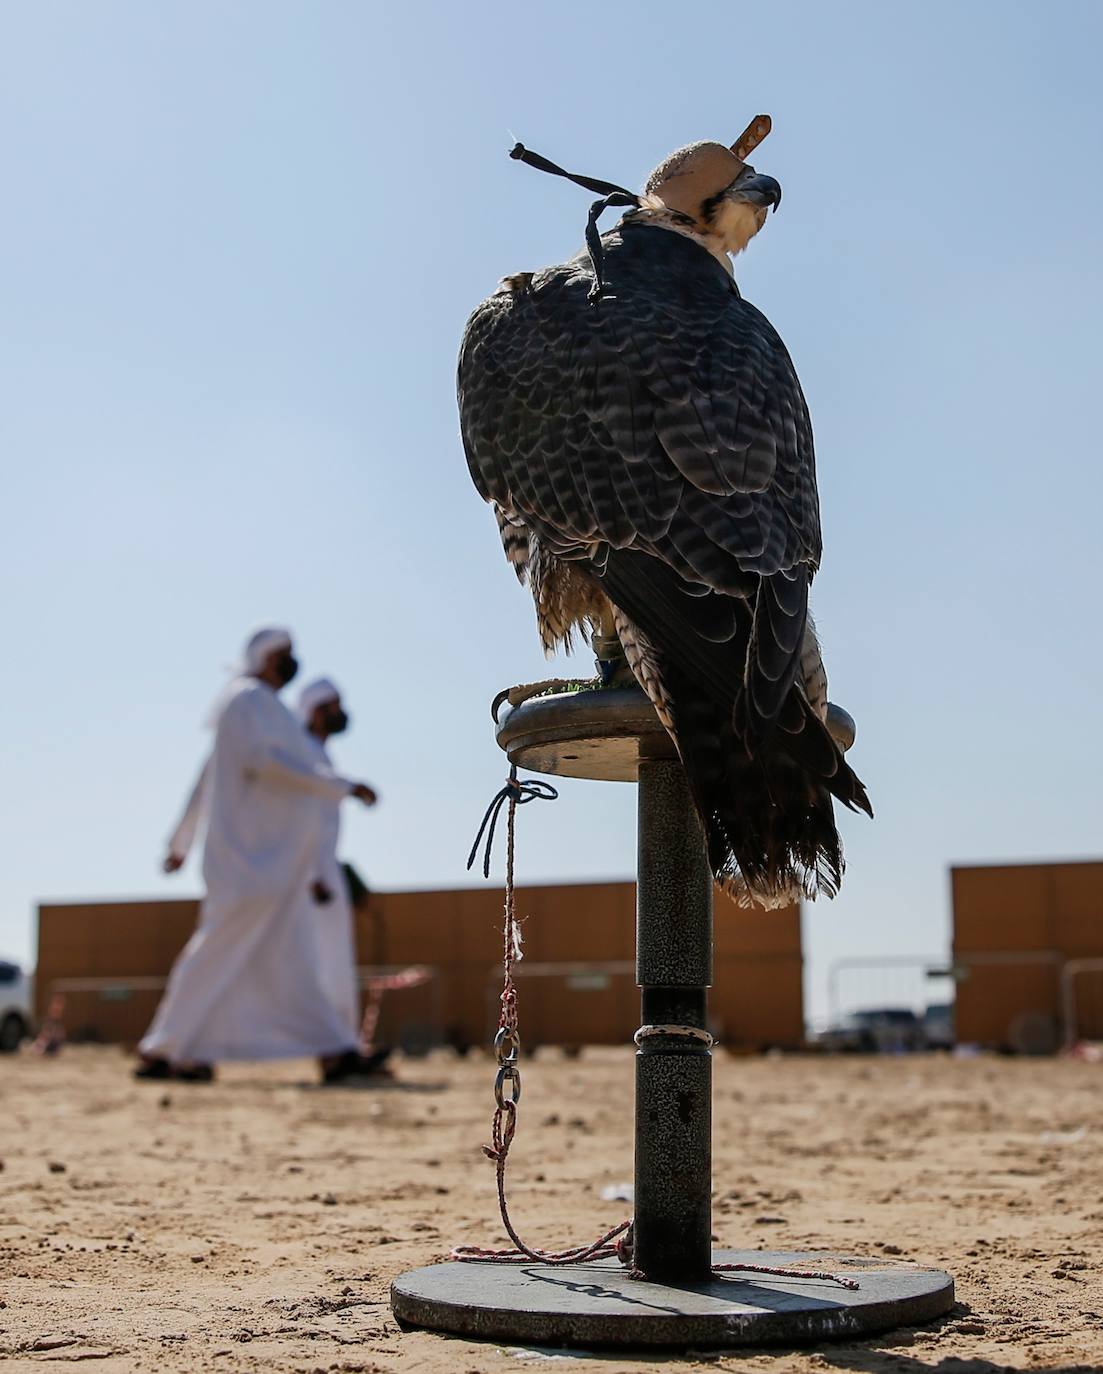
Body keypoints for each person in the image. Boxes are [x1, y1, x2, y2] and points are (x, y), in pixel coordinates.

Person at [137, 627, 380, 1084]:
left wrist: (180, 845)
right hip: (248, 863)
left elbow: (216, 777)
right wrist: (342, 786)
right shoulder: (248, 701)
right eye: (285, 654)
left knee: (289, 963)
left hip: (275, 867)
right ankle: (160, 1049)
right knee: (219, 954)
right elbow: (265, 765)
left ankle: (335, 1049)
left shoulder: (264, 708)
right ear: (267, 658)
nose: (291, 662)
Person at [297, 678, 389, 1075]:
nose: (340, 713)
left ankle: (344, 1049)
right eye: (334, 705)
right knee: (321, 971)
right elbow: (298, 823)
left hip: (325, 871)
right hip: (309, 875)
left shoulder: (318, 754)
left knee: (336, 968)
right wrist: (311, 874)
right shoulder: (301, 753)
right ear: (317, 710)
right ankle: (332, 1053)